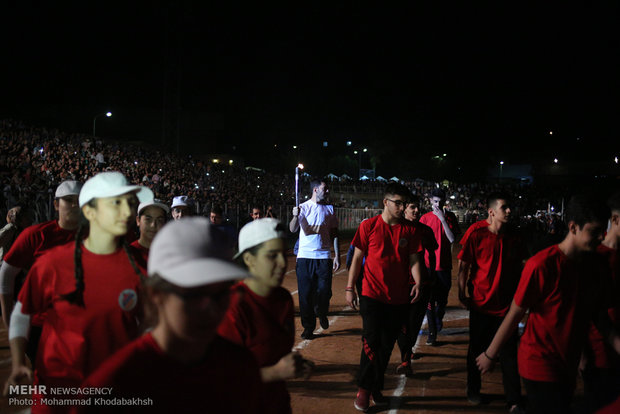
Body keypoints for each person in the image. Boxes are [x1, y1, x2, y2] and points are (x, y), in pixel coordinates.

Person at [76, 217, 264, 413]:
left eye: (222, 293)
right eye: (195, 294)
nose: (212, 308)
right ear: (155, 295)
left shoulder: (240, 368)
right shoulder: (114, 386)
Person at [3, 172, 152, 412]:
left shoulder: (139, 264)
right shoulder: (52, 264)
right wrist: (20, 359)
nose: (127, 212)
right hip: (57, 391)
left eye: (129, 203)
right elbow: (22, 310)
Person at [476, 193, 620, 414]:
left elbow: (598, 318)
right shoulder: (542, 265)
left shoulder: (596, 265)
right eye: (594, 231)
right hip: (539, 363)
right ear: (573, 227)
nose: (601, 237)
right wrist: (490, 354)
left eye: (603, 230)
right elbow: (515, 313)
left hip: (568, 363)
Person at [218, 218, 314, 414]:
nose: (282, 263)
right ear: (248, 259)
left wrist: (296, 366)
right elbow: (220, 378)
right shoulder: (233, 307)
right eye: (272, 256)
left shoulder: (283, 299)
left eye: (283, 254)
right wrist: (275, 372)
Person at [345, 182, 424, 412]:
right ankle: (363, 390)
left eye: (404, 204)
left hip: (398, 297)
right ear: (385, 203)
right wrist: (350, 287)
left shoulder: (409, 230)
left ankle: (375, 388)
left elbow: (414, 260)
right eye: (398, 203)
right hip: (371, 294)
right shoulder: (368, 226)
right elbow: (357, 259)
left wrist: (418, 281)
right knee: (371, 342)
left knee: (386, 347)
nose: (402, 207)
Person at [457, 193, 527, 412]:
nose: (509, 211)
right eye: (504, 207)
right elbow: (463, 266)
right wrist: (461, 293)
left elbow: (522, 266)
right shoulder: (476, 233)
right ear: (491, 211)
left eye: (510, 208)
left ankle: (513, 399)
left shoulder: (514, 236)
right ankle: (474, 390)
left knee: (509, 355)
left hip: (506, 307)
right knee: (476, 350)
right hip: (480, 304)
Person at [0, 180, 81, 356]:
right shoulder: (35, 235)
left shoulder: (97, 237)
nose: (75, 205)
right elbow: (5, 275)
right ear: (56, 205)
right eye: (69, 200)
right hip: (40, 327)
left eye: (80, 200)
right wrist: (9, 324)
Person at [581, 191, 620, 413]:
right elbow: (580, 310)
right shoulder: (594, 257)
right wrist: (582, 355)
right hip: (599, 354)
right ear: (614, 220)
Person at [289, 178, 340, 339]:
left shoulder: (329, 209)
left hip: (324, 256)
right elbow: (292, 229)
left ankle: (322, 311)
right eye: (325, 189)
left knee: (324, 291)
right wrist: (295, 216)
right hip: (305, 257)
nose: (327, 191)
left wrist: (337, 255)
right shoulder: (302, 207)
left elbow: (334, 234)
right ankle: (308, 327)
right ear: (315, 190)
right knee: (305, 295)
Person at [396, 195, 438, 377]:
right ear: (404, 209)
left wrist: (432, 274)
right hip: (399, 283)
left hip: (422, 284)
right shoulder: (396, 229)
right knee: (400, 323)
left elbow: (432, 252)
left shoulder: (425, 231)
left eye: (418, 207)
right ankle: (406, 356)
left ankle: (406, 356)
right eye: (412, 207)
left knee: (414, 323)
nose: (416, 211)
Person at [420, 187, 461, 345]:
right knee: (429, 301)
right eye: (435, 201)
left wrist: (443, 219)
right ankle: (432, 332)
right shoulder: (424, 218)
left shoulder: (449, 217)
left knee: (442, 301)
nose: (437, 204)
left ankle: (438, 319)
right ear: (430, 201)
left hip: (443, 266)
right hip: (429, 266)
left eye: (440, 202)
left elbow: (452, 239)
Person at [130, 199, 169, 269]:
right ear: (138, 221)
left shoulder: (171, 254)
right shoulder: (129, 254)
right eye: (148, 219)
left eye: (159, 220)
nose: (153, 225)